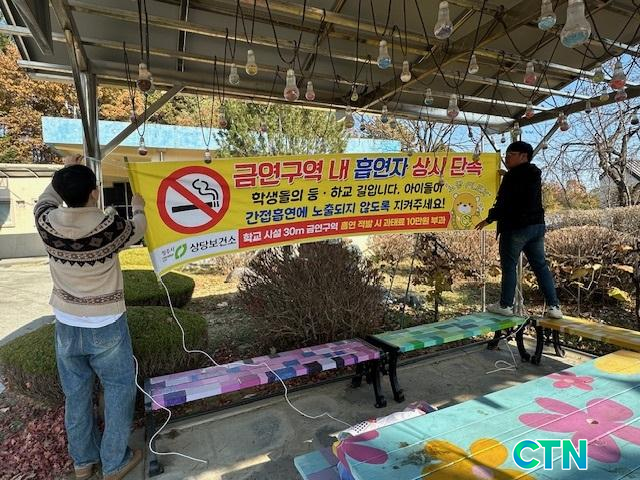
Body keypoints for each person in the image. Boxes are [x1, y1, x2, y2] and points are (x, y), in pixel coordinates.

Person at [34, 155, 147, 480]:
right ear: (95, 192)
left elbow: (44, 199)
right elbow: (139, 229)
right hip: (106, 323)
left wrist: (64, 171)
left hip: (66, 324)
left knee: (76, 394)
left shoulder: (46, 223)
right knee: (118, 389)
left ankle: (82, 462)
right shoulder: (109, 226)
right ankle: (114, 463)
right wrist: (138, 207)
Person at [475, 141, 562, 319]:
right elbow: (522, 193)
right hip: (537, 226)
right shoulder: (534, 174)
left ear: (524, 156)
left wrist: (489, 219)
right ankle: (554, 307)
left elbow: (505, 203)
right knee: (540, 266)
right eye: (506, 155)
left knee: (509, 266)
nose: (507, 158)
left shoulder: (512, 177)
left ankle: (505, 305)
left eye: (511, 155)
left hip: (515, 227)